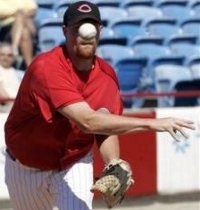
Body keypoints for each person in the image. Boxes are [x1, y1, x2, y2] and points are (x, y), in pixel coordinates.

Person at [4, 1, 195, 210]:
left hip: (73, 160)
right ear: (65, 31)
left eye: (92, 27)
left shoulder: (106, 76)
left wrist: (113, 161)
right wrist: (152, 124)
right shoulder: (46, 68)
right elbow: (88, 121)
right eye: (77, 28)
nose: (86, 33)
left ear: (100, 31)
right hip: (27, 163)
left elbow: (104, 122)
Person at [0, 0, 37, 68]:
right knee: (24, 32)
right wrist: (17, 12)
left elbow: (33, 10)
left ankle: (14, 48)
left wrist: (19, 14)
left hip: (27, 24)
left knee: (20, 17)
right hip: (6, 29)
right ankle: (29, 66)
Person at [0, 42, 20, 112]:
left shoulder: (19, 73)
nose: (6, 58)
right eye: (2, 55)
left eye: (9, 55)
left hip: (18, 106)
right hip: (6, 107)